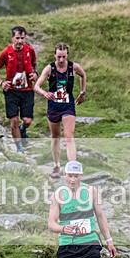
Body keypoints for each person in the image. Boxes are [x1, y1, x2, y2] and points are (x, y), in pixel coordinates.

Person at [48, 160, 117, 258]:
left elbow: (100, 216)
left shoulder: (91, 191)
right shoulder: (58, 195)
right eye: (70, 176)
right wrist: (63, 229)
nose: (73, 180)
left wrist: (109, 241)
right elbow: (51, 223)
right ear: (64, 175)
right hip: (68, 243)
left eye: (76, 176)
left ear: (81, 176)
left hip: (90, 241)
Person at [34, 43, 87, 178]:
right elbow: (37, 86)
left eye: (64, 57)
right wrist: (45, 93)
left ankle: (72, 168)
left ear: (67, 55)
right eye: (59, 57)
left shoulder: (73, 67)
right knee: (55, 137)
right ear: (55, 56)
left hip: (68, 105)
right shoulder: (49, 68)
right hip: (54, 106)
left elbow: (83, 75)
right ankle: (56, 165)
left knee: (69, 136)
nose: (61, 60)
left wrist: (82, 92)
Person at [0, 26, 38, 153]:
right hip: (11, 91)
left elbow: (34, 64)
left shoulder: (30, 50)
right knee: (14, 120)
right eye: (17, 38)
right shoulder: (6, 53)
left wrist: (35, 73)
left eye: (22, 38)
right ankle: (19, 148)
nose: (20, 41)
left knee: (27, 121)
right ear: (12, 38)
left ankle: (23, 129)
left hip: (27, 90)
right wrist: (1, 82)